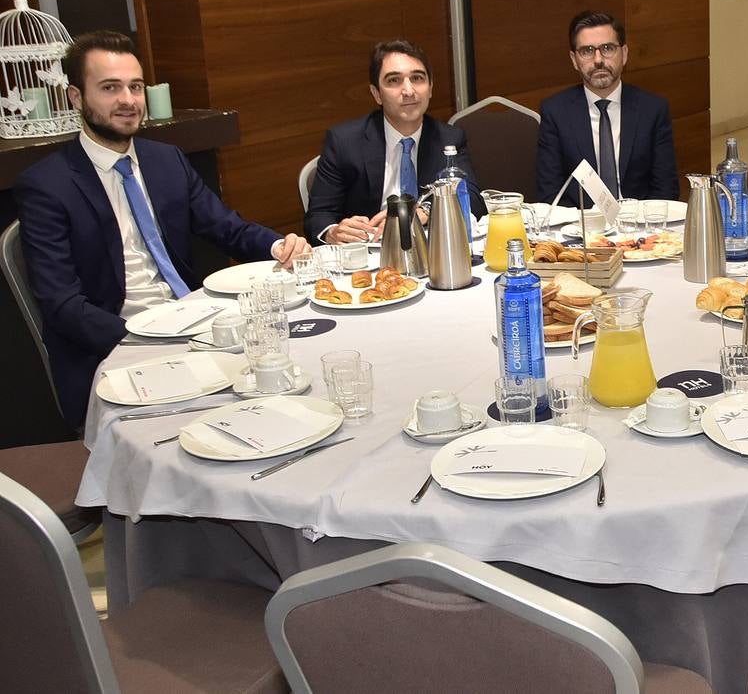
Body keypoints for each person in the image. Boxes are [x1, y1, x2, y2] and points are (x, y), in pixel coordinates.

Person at [15, 31, 310, 427]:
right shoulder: (47, 185)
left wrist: (278, 246)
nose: (127, 100)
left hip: (192, 327)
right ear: (75, 97)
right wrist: (141, 338)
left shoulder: (165, 160)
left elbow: (226, 228)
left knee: (292, 372)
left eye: (135, 87)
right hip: (116, 347)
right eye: (109, 88)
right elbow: (63, 305)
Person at [305, 40, 481, 244]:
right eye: (393, 81)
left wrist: (425, 211)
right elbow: (318, 216)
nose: (408, 90)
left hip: (431, 250)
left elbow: (474, 200)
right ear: (376, 94)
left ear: (431, 88)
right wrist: (333, 231)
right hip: (370, 254)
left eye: (417, 78)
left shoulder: (448, 138)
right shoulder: (344, 141)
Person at [535, 11, 679, 205]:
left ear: (624, 54)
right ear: (573, 60)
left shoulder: (652, 110)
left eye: (607, 48)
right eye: (586, 51)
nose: (598, 60)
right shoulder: (556, 112)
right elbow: (550, 193)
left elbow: (665, 189)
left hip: (640, 227)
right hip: (581, 226)